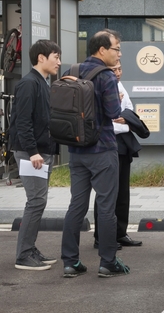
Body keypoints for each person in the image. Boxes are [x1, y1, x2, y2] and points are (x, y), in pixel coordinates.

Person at [61, 29, 130, 278]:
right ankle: (107, 261)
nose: (119, 53)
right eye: (116, 49)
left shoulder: (71, 71)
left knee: (76, 206)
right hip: (102, 149)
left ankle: (70, 261)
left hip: (76, 149)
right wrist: (118, 100)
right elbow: (113, 112)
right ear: (102, 50)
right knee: (106, 206)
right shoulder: (106, 76)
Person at [11, 40, 61, 271]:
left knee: (38, 202)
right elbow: (22, 121)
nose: (59, 62)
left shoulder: (41, 82)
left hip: (40, 152)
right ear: (41, 58)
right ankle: (23, 255)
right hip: (31, 153)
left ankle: (29, 249)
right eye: (55, 57)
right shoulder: (29, 83)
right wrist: (32, 152)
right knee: (36, 202)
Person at [93, 60, 146, 250]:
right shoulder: (100, 85)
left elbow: (128, 112)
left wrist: (125, 119)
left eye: (120, 69)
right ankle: (102, 237)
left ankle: (120, 233)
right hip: (107, 141)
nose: (117, 73)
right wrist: (122, 119)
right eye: (113, 70)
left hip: (123, 142)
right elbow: (110, 117)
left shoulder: (121, 85)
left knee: (123, 191)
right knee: (107, 192)